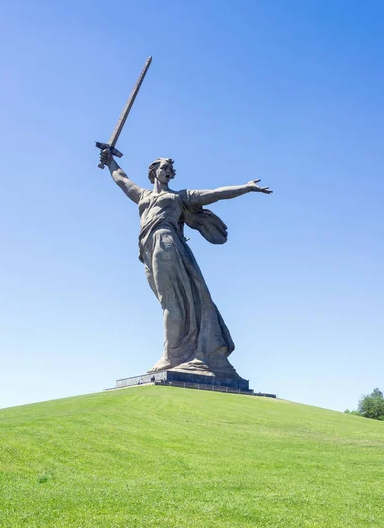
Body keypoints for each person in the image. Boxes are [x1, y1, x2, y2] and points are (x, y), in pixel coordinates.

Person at [100, 151, 272, 376]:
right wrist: (109, 159)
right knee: (167, 302)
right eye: (164, 169)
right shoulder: (142, 195)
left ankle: (170, 356)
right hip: (147, 249)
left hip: (166, 242)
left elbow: (215, 194)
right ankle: (179, 351)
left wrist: (246, 187)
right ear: (153, 172)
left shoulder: (179, 197)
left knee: (171, 302)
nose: (168, 173)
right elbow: (121, 179)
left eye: (171, 171)